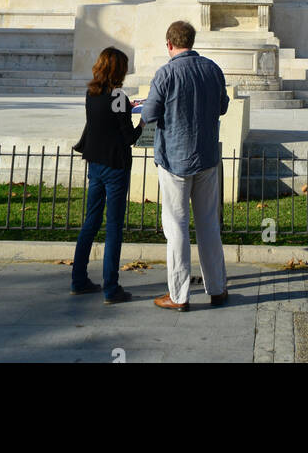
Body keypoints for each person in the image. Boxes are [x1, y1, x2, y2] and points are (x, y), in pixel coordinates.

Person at [140, 21, 229, 312]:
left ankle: (179, 294)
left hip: (175, 158)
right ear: (191, 40)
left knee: (176, 225)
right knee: (208, 224)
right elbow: (223, 106)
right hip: (205, 156)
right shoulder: (212, 69)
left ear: (169, 44)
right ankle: (217, 287)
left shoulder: (165, 73)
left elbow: (151, 114)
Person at [71, 46, 143, 304]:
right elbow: (129, 137)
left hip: (96, 163)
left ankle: (78, 279)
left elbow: (104, 120)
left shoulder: (92, 94)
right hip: (116, 166)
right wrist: (142, 121)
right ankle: (111, 288)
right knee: (113, 227)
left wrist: (125, 107)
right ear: (119, 70)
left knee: (91, 222)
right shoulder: (119, 97)